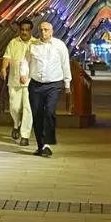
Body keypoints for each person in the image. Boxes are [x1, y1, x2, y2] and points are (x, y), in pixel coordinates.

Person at [18, 20, 70, 158]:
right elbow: (25, 61)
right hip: (36, 84)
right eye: (41, 29)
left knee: (49, 111)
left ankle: (47, 143)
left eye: (46, 29)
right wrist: (23, 74)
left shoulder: (60, 46)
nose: (43, 32)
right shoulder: (33, 46)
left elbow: (65, 64)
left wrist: (67, 84)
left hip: (54, 84)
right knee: (37, 114)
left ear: (52, 31)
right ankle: (41, 145)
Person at [0, 19, 35, 146]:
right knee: (14, 107)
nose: (24, 32)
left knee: (28, 108)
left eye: (27, 30)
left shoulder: (36, 44)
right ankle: (16, 124)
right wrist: (4, 68)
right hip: (14, 80)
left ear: (31, 30)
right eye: (22, 30)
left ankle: (25, 136)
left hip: (30, 82)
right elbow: (7, 56)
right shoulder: (13, 42)